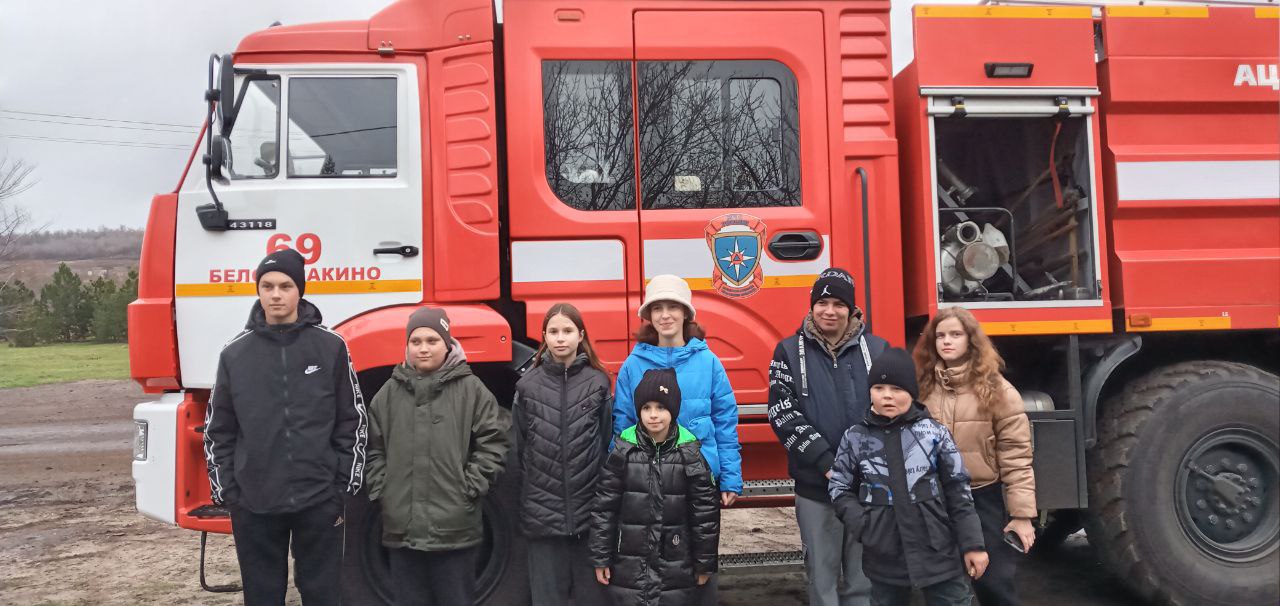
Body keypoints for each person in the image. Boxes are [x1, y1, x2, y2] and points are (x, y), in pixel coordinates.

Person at [203, 248, 367, 606]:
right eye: (267, 285)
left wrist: (341, 486)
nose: (276, 294)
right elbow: (218, 430)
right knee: (262, 596)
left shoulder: (330, 347)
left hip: (319, 499)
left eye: (285, 285)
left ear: (300, 290)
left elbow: (352, 419)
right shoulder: (234, 354)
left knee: (323, 594)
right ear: (258, 291)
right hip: (255, 502)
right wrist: (230, 493)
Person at [363, 307, 509, 606]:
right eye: (416, 341)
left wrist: (468, 489)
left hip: (456, 534)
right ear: (407, 346)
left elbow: (493, 443)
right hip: (402, 534)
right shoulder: (387, 394)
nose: (424, 348)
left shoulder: (472, 391)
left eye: (432, 340)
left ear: (447, 343)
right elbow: (371, 449)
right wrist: (384, 491)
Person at [612, 274, 741, 603]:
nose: (665, 315)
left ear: (687, 314)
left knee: (700, 558)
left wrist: (729, 477)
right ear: (649, 316)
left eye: (673, 307)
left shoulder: (709, 363)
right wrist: (620, 475)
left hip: (698, 479)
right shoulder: (633, 365)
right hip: (650, 480)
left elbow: (725, 422)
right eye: (657, 308)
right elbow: (623, 423)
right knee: (655, 561)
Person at [829, 348, 988, 606]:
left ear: (911, 393)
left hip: (939, 553)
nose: (887, 396)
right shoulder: (855, 437)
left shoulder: (933, 433)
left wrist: (973, 545)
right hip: (884, 555)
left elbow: (959, 490)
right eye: (879, 388)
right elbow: (839, 487)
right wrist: (864, 524)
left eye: (896, 389)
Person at [767, 268, 886, 606]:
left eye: (838, 303)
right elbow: (783, 414)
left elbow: (892, 412)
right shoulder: (787, 352)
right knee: (822, 580)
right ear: (812, 307)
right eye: (822, 302)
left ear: (852, 309)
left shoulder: (878, 350)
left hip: (869, 487)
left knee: (864, 582)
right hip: (816, 488)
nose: (829, 311)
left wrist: (862, 464)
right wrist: (827, 464)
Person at [913, 307, 1036, 606]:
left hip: (982, 499)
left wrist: (1022, 516)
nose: (947, 341)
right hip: (935, 502)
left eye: (956, 334)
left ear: (971, 340)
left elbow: (1017, 456)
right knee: (943, 588)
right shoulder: (922, 390)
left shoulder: (999, 391)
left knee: (995, 585)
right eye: (940, 336)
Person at [590, 368, 721, 606]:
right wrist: (601, 558)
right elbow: (604, 508)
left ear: (673, 410)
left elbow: (705, 515)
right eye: (646, 408)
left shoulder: (690, 453)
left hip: (676, 569)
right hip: (629, 568)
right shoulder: (623, 450)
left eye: (661, 407)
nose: (653, 415)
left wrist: (704, 564)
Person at [513, 304, 613, 606]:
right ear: (543, 336)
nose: (560, 338)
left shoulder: (598, 383)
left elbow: (606, 441)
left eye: (567, 331)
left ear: (580, 335)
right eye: (553, 331)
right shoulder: (527, 386)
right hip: (543, 519)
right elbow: (521, 448)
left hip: (589, 516)